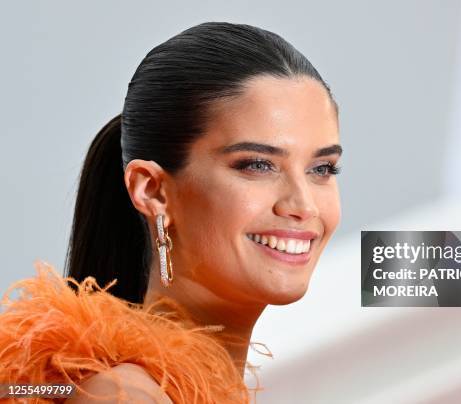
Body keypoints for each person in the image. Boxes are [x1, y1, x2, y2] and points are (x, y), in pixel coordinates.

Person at [0, 21, 342, 403]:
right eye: (257, 165)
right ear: (152, 190)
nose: (303, 205)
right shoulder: (125, 396)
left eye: (322, 169)